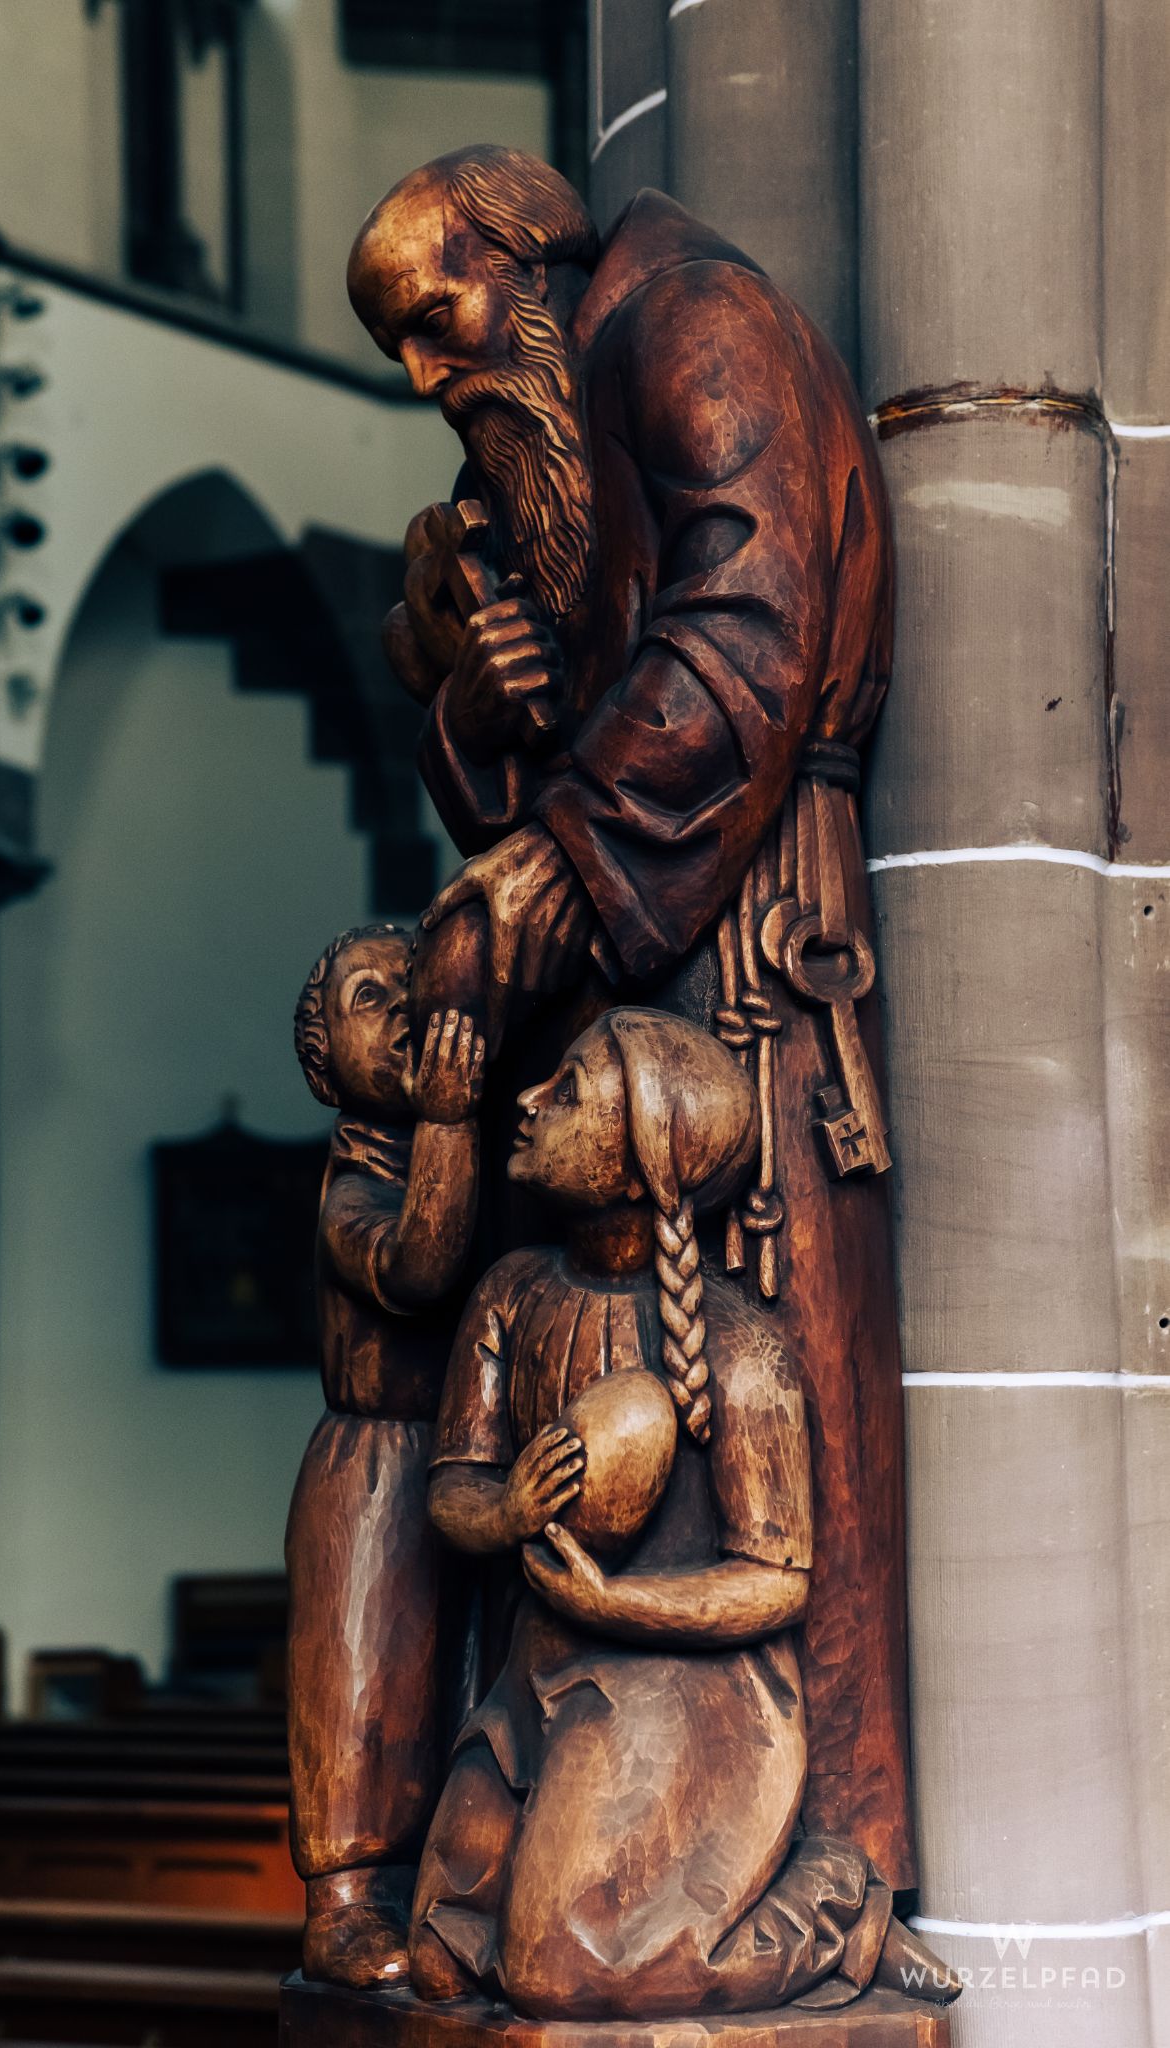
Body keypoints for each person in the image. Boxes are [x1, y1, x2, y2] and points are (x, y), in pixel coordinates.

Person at [347, 145, 913, 1888]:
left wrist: (557, 855)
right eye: (403, 357)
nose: (433, 378)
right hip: (630, 927)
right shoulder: (557, 423)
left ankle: (820, 1846)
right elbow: (558, 731)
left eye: (437, 322)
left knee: (776, 1355)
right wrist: (473, 696)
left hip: (744, 937)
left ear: (528, 249)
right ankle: (596, 1843)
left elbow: (745, 632)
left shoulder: (692, 325)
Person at [408, 1009, 957, 2021]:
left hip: (690, 1694)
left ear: (641, 1165)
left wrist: (617, 1601)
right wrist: (506, 1507)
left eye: (569, 1090)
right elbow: (452, 1487)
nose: (529, 1098)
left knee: (555, 1971)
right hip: (539, 1672)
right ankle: (567, 1886)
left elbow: (775, 1579)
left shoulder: (743, 1352)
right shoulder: (512, 1295)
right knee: (438, 1953)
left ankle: (835, 1906)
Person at [287, 925, 485, 1987]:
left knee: (455, 1677)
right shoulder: (350, 1187)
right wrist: (449, 1118)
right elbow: (417, 1266)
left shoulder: (469, 1151)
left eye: (415, 984)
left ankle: (450, 1879)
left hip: (460, 1453)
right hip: (369, 1463)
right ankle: (348, 1898)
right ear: (323, 1060)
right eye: (372, 994)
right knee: (363, 1681)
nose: (405, 1002)